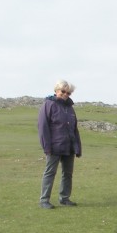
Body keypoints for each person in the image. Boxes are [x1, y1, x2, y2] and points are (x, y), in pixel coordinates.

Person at [37, 79, 82, 208]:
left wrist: (77, 147)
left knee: (67, 174)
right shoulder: (48, 105)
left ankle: (65, 198)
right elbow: (42, 127)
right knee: (50, 173)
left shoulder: (70, 109)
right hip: (54, 146)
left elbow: (74, 129)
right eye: (63, 91)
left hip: (69, 147)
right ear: (57, 90)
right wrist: (47, 146)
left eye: (68, 93)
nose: (65, 94)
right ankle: (44, 200)